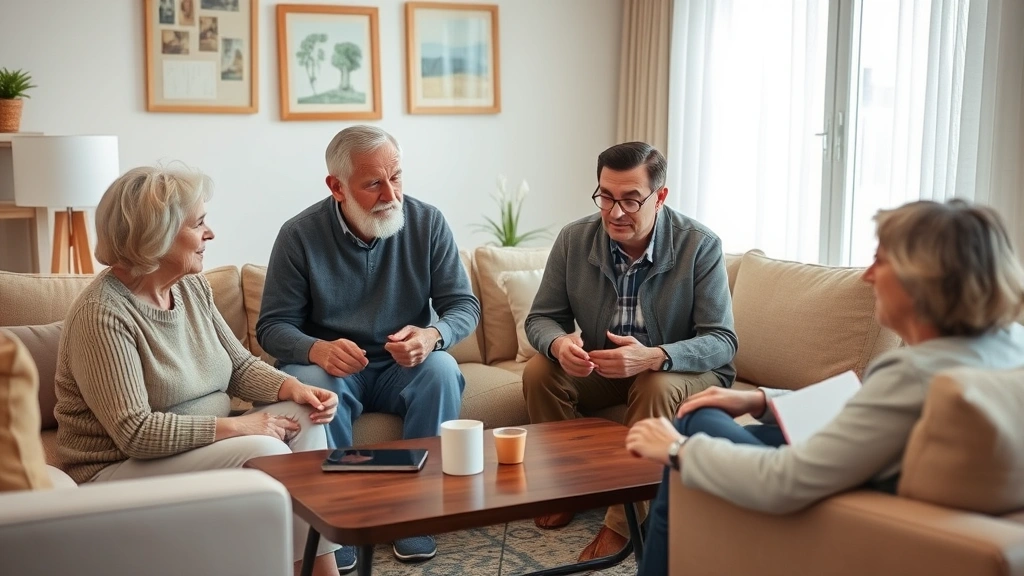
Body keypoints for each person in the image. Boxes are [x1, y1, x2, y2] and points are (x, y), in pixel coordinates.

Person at [627, 198, 1024, 576]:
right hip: (873, 474)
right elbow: (874, 417)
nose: (868, 277)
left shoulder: (912, 373)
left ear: (921, 279)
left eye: (880, 261)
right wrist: (761, 399)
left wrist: (678, 448)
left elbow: (787, 481)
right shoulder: (1012, 343)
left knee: (699, 421)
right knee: (762, 428)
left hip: (846, 512)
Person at [54, 165, 346, 576]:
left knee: (306, 417)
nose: (210, 234)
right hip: (115, 469)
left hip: (192, 449)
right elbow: (135, 432)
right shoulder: (102, 314)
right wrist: (241, 427)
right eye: (200, 223)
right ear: (155, 235)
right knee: (265, 448)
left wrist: (293, 387)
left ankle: (319, 568)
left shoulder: (191, 287)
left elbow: (238, 367)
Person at [256, 125, 481, 566]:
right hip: (336, 369)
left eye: (396, 177)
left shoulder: (427, 222)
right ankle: (337, 523)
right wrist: (315, 349)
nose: (390, 193)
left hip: (403, 367)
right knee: (313, 381)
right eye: (373, 183)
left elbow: (463, 306)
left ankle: (416, 514)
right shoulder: (299, 234)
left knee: (440, 370)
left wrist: (432, 336)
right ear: (336, 187)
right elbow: (272, 327)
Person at [523, 141, 738, 561]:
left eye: (630, 200)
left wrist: (655, 355)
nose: (615, 212)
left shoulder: (700, 246)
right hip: (605, 368)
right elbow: (540, 318)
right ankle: (565, 487)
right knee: (539, 372)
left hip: (678, 372)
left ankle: (622, 523)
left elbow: (722, 340)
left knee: (655, 385)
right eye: (606, 196)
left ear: (660, 197)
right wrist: (559, 342)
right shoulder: (574, 239)